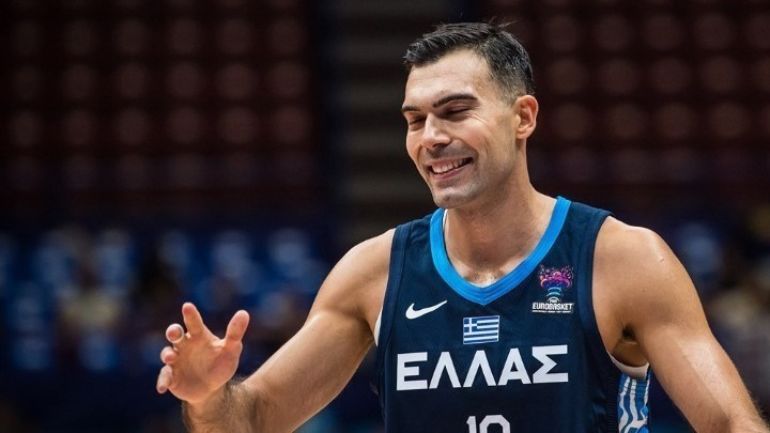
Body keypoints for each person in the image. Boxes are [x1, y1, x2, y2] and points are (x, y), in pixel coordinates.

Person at [155, 22, 769, 433]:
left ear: (523, 116)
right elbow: (254, 419)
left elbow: (732, 424)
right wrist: (207, 398)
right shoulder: (375, 272)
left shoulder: (622, 259)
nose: (431, 138)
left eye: (454, 112)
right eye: (414, 119)